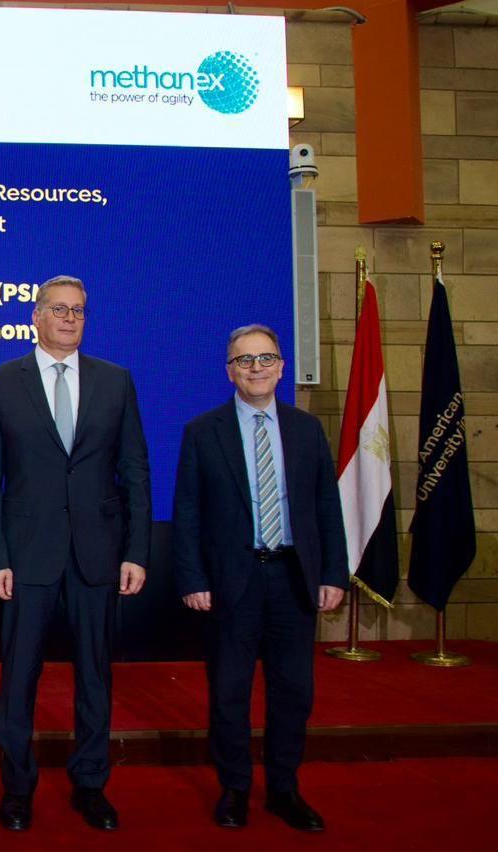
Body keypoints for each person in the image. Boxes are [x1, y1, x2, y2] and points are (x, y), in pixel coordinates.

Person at [0, 275, 151, 832]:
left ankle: (91, 783)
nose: (70, 318)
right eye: (59, 309)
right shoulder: (0, 382)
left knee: (95, 675)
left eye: (78, 310)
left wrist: (137, 550)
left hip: (99, 554)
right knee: (19, 675)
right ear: (36, 316)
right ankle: (17, 787)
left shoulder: (116, 381)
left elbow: (136, 471)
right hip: (26, 557)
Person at [172, 324, 346, 832]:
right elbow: (188, 512)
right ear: (229, 371)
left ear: (281, 367)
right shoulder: (203, 431)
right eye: (244, 360)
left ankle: (285, 789)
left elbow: (326, 506)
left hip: (294, 577)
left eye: (265, 358)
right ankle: (235, 789)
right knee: (229, 690)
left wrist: (333, 572)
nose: (256, 368)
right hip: (232, 580)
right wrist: (192, 578)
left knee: (294, 692)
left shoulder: (306, 430)